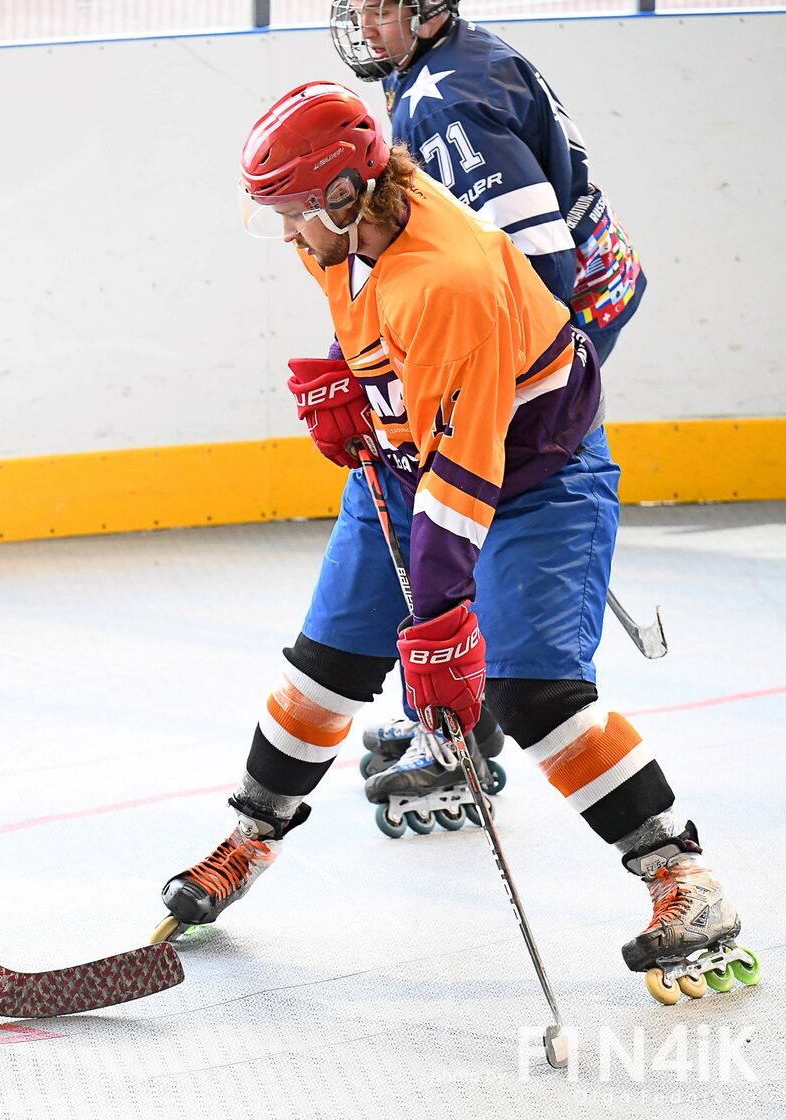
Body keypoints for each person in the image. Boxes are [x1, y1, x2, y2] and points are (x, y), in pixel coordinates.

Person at [159, 82, 753, 1002]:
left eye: (288, 213)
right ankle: (250, 837)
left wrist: (440, 627)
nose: (282, 234)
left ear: (343, 199)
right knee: (323, 669)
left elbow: (464, 480)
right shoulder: (346, 227)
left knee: (534, 692)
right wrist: (351, 384)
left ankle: (682, 875)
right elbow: (370, 327)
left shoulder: (450, 280)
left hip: (538, 478)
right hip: (410, 464)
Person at [329, 0, 649, 802]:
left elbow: (534, 260)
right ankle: (464, 713)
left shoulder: (450, 101)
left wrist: (494, 399)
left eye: (381, 8)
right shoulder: (435, 71)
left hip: (562, 312)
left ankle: (457, 727)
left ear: (428, 7)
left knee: (453, 496)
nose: (364, 24)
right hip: (585, 290)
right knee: (453, 495)